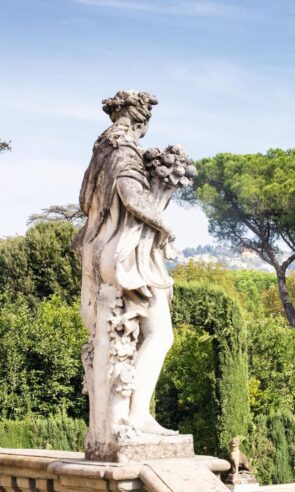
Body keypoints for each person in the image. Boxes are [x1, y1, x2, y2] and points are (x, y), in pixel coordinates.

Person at [74, 90, 193, 450]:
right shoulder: (126, 150)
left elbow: (83, 200)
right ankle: (136, 415)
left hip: (99, 251)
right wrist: (165, 225)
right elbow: (131, 194)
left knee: (117, 339)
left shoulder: (101, 151)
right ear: (141, 121)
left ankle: (110, 427)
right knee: (161, 334)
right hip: (128, 253)